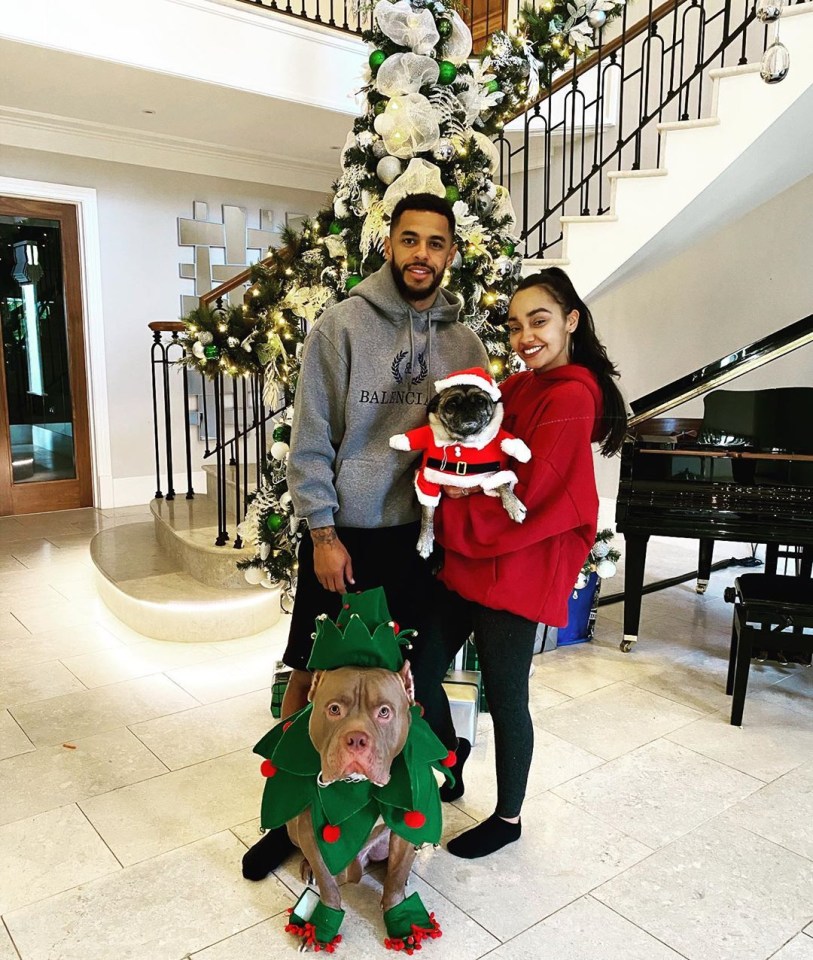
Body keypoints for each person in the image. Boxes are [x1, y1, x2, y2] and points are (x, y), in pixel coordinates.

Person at [242, 193, 488, 880]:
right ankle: (285, 813)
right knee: (307, 672)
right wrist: (321, 530)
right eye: (409, 240)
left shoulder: (465, 344)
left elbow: (478, 435)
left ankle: (392, 813)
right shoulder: (340, 327)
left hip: (422, 535)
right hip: (346, 531)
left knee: (399, 683)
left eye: (434, 243)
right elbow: (312, 438)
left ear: (449, 253)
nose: (420, 254)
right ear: (389, 245)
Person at [410, 267, 626, 859]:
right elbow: (478, 452)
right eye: (515, 325)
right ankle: (450, 759)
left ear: (570, 321)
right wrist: (454, 482)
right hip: (473, 560)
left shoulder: (573, 393)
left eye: (539, 321)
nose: (525, 336)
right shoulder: (526, 384)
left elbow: (534, 494)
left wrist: (461, 498)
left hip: (518, 567)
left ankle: (508, 818)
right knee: (423, 666)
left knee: (506, 697)